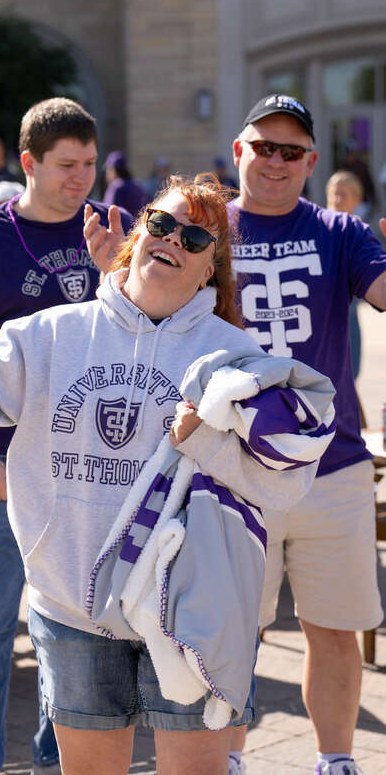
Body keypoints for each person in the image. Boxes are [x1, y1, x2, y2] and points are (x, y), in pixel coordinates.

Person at [0, 172, 334, 775]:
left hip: (191, 611)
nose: (174, 240)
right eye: (162, 223)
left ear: (211, 268)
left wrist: (207, 443)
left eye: (196, 239)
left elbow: (285, 480)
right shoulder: (52, 334)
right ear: (138, 236)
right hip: (75, 606)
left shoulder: (236, 359)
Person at [84, 94, 386, 775]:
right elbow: (142, 311)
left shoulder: (340, 231)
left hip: (328, 465)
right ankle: (231, 760)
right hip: (224, 465)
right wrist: (111, 273)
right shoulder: (204, 229)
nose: (275, 161)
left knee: (334, 629)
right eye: (262, 146)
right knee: (227, 628)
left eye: (290, 150)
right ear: (239, 151)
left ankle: (336, 759)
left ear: (311, 161)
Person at [0, 98, 132, 775]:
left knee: (76, 628)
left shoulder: (115, 228)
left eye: (88, 164)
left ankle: (60, 755)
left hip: (92, 466)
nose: (82, 179)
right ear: (28, 164)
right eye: (66, 166)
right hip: (8, 465)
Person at [325, 171, 364, 380]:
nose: (337, 200)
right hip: (319, 317)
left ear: (356, 200)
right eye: (333, 194)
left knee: (349, 376)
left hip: (348, 316)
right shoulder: (317, 228)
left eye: (343, 195)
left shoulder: (359, 232)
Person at [103, 150, 147, 218]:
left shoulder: (116, 186)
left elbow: (108, 213)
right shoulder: (137, 185)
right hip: (139, 227)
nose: (107, 173)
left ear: (113, 170)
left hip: (121, 227)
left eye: (108, 169)